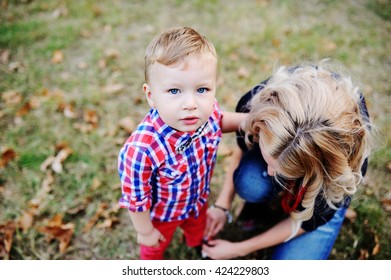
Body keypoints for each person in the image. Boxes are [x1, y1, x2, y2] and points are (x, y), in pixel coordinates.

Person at [203, 61, 373, 259]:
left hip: (323, 187)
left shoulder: (342, 166)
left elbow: (303, 223)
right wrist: (222, 205)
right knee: (250, 182)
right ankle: (264, 206)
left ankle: (308, 205)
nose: (272, 173)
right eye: (269, 160)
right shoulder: (262, 104)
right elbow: (241, 147)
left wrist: (239, 249)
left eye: (284, 171)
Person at [117, 27, 246, 260]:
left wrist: (248, 121)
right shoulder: (141, 151)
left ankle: (198, 245)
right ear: (151, 95)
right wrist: (145, 231)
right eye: (174, 90)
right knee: (154, 247)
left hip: (197, 202)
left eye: (202, 89)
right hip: (161, 215)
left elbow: (221, 120)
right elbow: (136, 199)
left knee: (198, 229)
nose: (191, 103)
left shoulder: (205, 116)